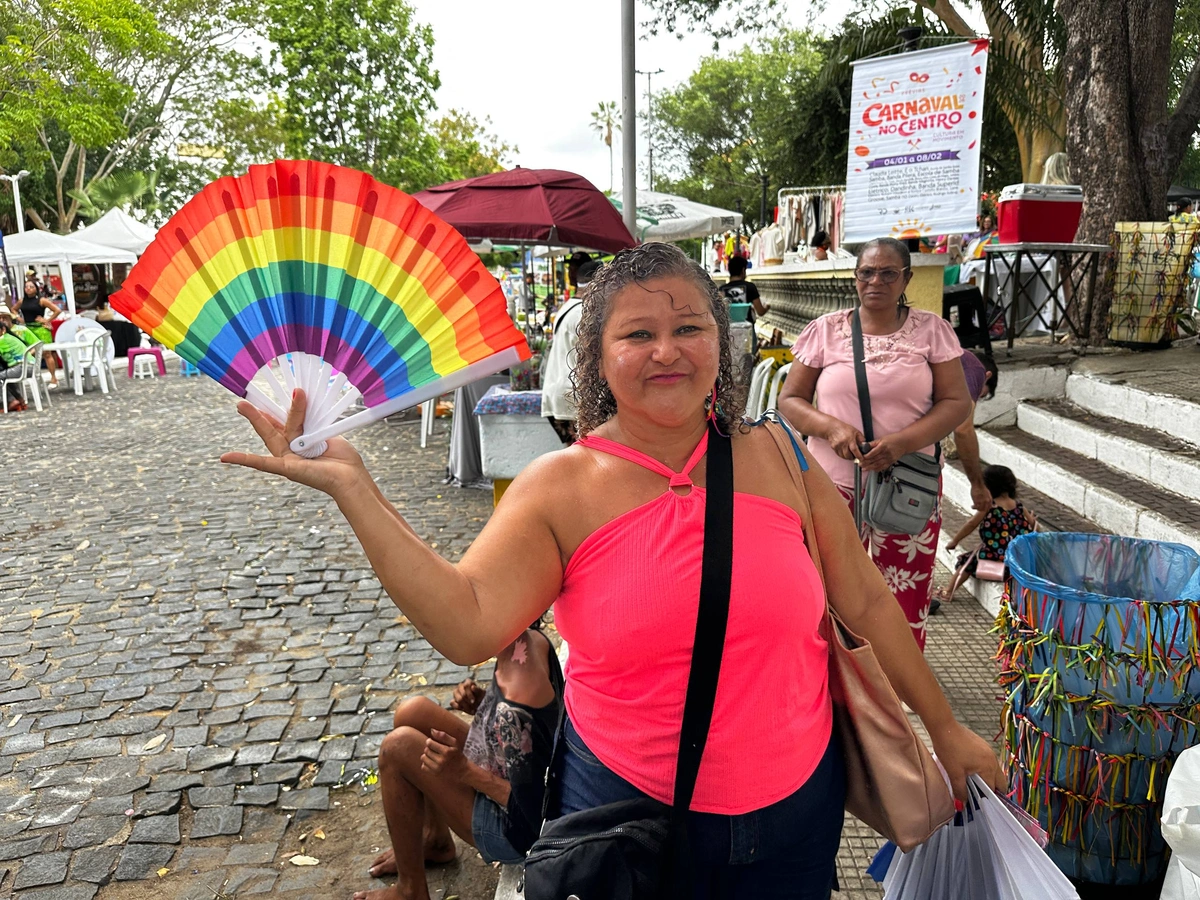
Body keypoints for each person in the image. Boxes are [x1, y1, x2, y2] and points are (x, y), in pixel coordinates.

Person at [222, 242, 1001, 899]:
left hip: (797, 816)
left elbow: (866, 600)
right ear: (597, 356)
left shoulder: (780, 457)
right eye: (638, 334)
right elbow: (467, 621)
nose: (667, 351)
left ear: (720, 343)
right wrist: (356, 491)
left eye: (689, 327)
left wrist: (945, 727)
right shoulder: (560, 487)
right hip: (628, 823)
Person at [778, 237, 972, 651]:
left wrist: (901, 443)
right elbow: (789, 401)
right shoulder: (825, 331)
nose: (876, 282)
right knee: (826, 588)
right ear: (855, 277)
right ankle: (835, 672)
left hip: (908, 484)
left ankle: (898, 679)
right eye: (866, 272)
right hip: (831, 486)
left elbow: (957, 403)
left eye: (888, 273)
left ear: (907, 279)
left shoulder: (932, 331)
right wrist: (831, 428)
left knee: (904, 591)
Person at [354, 627, 563, 900]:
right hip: (507, 772)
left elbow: (537, 816)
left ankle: (411, 891)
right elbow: (533, 736)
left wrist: (464, 771)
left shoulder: (518, 691)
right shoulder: (526, 641)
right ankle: (435, 839)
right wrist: (483, 706)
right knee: (413, 712)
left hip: (518, 832)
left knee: (397, 749)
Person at [936, 465, 1036, 602]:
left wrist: (955, 541)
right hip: (1016, 562)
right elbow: (1033, 525)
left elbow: (971, 524)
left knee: (967, 562)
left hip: (993, 559)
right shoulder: (1019, 506)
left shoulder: (990, 506)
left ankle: (948, 591)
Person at [540, 259, 602, 444]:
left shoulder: (567, 307)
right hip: (573, 395)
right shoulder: (584, 313)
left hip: (559, 393)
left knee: (575, 452)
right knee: (586, 453)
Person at [16, 282, 61, 386]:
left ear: (36, 289)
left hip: (40, 329)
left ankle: (53, 378)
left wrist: (47, 320)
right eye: (26, 287)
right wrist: (19, 319)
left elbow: (57, 310)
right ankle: (36, 377)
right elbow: (13, 309)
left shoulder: (41, 300)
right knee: (30, 353)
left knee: (47, 353)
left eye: (31, 287)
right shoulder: (22, 301)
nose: (28, 288)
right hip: (28, 329)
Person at [0, 316, 29, 411]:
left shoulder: (2, 340)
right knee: (5, 375)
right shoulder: (10, 336)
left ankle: (11, 401)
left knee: (1, 375)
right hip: (28, 367)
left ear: (3, 329)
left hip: (21, 368)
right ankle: (19, 399)